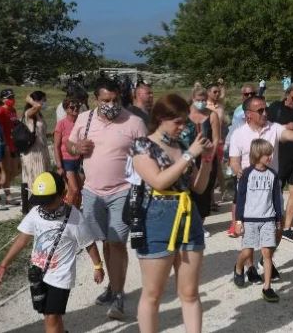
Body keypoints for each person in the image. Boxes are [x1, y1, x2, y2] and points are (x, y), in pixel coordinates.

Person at [131, 94, 214, 333]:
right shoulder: (142, 145)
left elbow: (198, 187)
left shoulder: (181, 146)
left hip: (188, 214)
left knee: (189, 292)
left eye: (184, 122)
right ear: (161, 118)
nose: (183, 127)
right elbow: (158, 181)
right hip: (157, 215)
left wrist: (206, 159)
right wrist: (190, 155)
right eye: (177, 122)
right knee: (153, 293)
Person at [67, 76, 147, 319]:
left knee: (116, 242)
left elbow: (145, 158)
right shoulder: (84, 119)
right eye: (106, 100)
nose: (111, 104)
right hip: (92, 192)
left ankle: (119, 295)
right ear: (96, 99)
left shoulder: (134, 122)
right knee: (104, 240)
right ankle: (113, 286)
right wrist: (77, 148)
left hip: (121, 191)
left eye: (115, 99)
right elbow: (70, 147)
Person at [0, 172, 105, 333]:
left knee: (52, 316)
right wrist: (3, 265)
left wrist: (98, 266)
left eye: (48, 201)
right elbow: (22, 240)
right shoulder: (35, 214)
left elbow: (89, 244)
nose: (43, 206)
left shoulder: (75, 218)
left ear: (62, 195)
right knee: (49, 315)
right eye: (40, 201)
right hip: (39, 273)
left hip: (61, 277)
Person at [228, 95, 293, 282]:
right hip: (249, 189)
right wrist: (241, 174)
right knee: (250, 233)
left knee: (278, 226)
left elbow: (288, 134)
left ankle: (265, 260)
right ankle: (246, 267)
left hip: (271, 187)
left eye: (265, 109)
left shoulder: (273, 128)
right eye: (260, 111)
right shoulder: (238, 134)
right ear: (248, 114)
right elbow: (234, 161)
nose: (265, 113)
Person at [232, 139, 283, 302]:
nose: (270, 157)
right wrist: (238, 221)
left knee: (267, 253)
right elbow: (240, 199)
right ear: (257, 155)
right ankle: (239, 267)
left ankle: (267, 287)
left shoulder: (273, 175)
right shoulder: (246, 174)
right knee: (247, 251)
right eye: (267, 154)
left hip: (268, 219)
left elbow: (276, 198)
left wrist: (278, 219)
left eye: (270, 153)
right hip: (250, 219)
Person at [266, 82, 293, 243]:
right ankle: (273, 222)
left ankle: (287, 228)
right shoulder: (276, 107)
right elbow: (266, 128)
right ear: (287, 94)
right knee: (274, 193)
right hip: (278, 157)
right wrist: (285, 126)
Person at [181, 87, 221, 236]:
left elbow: (216, 138)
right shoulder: (185, 115)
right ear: (192, 98)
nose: (201, 103)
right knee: (189, 190)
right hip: (189, 156)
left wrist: (210, 156)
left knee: (204, 191)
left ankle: (200, 224)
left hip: (206, 156)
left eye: (204, 100)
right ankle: (187, 222)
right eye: (198, 100)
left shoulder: (212, 115)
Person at [223, 84, 257, 236]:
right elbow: (231, 136)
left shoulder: (263, 108)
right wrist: (230, 158)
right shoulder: (238, 112)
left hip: (257, 160)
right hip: (241, 160)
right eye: (246, 94)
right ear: (242, 96)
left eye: (252, 94)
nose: (249, 97)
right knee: (239, 195)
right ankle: (235, 223)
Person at [21, 91, 52, 213]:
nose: (44, 103)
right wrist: (29, 98)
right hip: (33, 153)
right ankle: (33, 207)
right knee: (35, 179)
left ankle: (41, 204)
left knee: (42, 178)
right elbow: (37, 106)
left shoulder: (39, 114)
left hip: (42, 151)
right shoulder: (29, 113)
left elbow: (39, 132)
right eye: (43, 100)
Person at [54, 98, 83, 207]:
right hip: (67, 161)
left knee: (80, 191)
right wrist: (59, 166)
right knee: (74, 189)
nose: (75, 109)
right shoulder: (61, 124)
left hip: (79, 160)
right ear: (66, 109)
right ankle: (67, 214)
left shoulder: (81, 123)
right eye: (72, 107)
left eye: (77, 107)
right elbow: (56, 146)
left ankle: (77, 215)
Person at [0, 88, 21, 206]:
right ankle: (8, 196)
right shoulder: (0, 112)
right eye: (9, 98)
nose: (11, 100)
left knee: (16, 170)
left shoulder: (13, 110)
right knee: (7, 171)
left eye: (12, 97)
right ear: (3, 99)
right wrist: (2, 144)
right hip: (5, 145)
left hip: (14, 144)